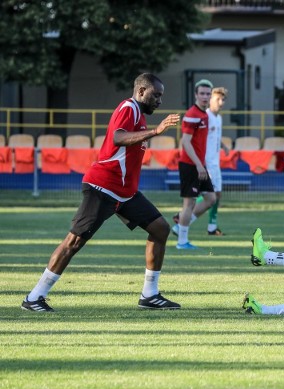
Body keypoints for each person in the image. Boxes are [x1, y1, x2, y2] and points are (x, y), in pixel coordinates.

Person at [21, 73, 182, 312]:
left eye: (161, 96)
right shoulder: (129, 107)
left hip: (124, 193)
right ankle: (34, 297)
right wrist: (155, 131)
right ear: (140, 92)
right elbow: (118, 137)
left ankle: (150, 294)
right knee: (73, 241)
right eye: (156, 95)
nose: (159, 100)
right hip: (103, 188)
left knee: (160, 229)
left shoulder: (138, 116)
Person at [171, 79, 216, 249]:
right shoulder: (192, 115)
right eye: (202, 93)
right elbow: (186, 142)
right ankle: (182, 242)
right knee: (188, 204)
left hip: (199, 165)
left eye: (207, 94)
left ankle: (179, 226)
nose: (205, 96)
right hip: (190, 165)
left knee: (211, 199)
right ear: (196, 95)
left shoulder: (204, 114)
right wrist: (198, 164)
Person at [203, 87, 229, 235]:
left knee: (217, 195)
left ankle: (212, 227)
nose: (221, 102)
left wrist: (223, 145)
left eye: (223, 99)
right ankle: (181, 217)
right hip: (207, 163)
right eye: (218, 99)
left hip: (215, 162)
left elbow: (215, 137)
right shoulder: (205, 117)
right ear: (210, 100)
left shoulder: (218, 118)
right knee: (210, 196)